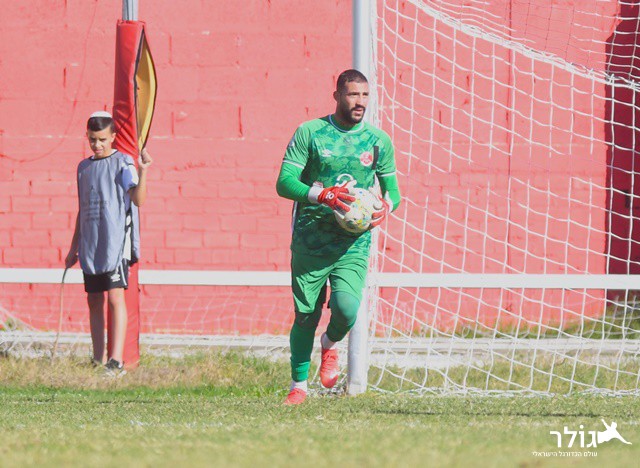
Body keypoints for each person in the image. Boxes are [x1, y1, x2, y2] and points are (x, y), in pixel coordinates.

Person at [276, 69, 401, 404]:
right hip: (310, 238)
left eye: (364, 95)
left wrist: (385, 207)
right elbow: (284, 183)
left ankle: (329, 344)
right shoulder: (311, 133)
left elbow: (393, 192)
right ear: (337, 96)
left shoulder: (378, 141)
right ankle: (298, 386)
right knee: (306, 315)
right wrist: (322, 195)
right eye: (352, 94)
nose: (360, 102)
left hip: (352, 243)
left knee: (347, 308)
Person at [65, 111, 152, 376]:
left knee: (115, 297)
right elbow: (82, 209)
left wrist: (143, 171)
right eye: (92, 139)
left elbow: (138, 199)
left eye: (102, 139)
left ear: (113, 136)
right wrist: (74, 247)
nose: (97, 144)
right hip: (91, 245)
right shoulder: (83, 168)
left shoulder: (123, 163)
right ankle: (97, 359)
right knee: (94, 300)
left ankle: (116, 361)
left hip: (115, 244)